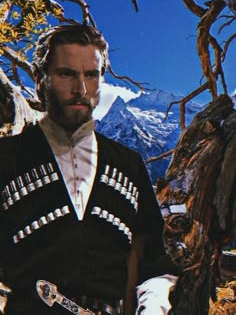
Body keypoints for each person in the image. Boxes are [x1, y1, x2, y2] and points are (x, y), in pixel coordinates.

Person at [0, 24, 178, 315]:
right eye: (66, 74)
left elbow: (156, 265)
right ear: (39, 80)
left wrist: (153, 307)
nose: (80, 90)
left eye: (91, 75)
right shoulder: (6, 158)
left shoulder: (128, 164)